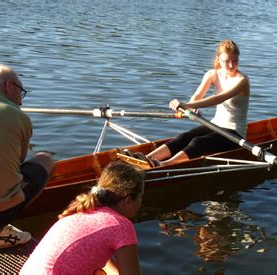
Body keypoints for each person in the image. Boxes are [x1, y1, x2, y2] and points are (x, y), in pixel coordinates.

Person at [20, 161, 144, 275]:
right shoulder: (122, 225)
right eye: (140, 197)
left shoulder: (81, 212)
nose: (140, 201)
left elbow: (96, 256)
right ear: (127, 201)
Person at [145, 39, 250, 167]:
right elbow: (197, 96)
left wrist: (188, 105)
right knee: (184, 137)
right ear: (218, 59)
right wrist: (192, 106)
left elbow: (220, 98)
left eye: (235, 61)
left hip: (235, 134)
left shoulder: (242, 80)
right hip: (215, 125)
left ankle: (165, 165)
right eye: (227, 61)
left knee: (198, 142)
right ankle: (146, 159)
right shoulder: (212, 74)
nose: (231, 65)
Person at [0, 64, 55, 249]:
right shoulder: (17, 115)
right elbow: (18, 163)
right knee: (45, 159)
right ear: (9, 86)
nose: (21, 101)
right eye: (22, 93)